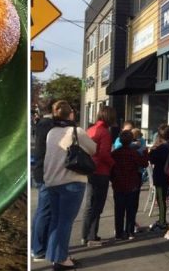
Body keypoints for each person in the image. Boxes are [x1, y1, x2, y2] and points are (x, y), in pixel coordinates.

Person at [43, 100, 96, 270]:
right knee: (65, 222)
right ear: (71, 114)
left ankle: (54, 255)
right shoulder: (77, 132)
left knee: (56, 220)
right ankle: (61, 259)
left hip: (52, 181)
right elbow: (93, 149)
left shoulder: (51, 132)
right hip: (72, 181)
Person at [81, 106, 117, 247]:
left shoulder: (90, 130)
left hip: (89, 169)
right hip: (101, 171)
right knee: (97, 205)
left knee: (89, 204)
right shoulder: (105, 132)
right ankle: (92, 236)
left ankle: (85, 235)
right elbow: (103, 154)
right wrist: (113, 164)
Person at [30, 100, 57, 261]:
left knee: (42, 210)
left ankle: (36, 246)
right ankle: (39, 249)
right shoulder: (49, 125)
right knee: (45, 211)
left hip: (42, 171)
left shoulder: (42, 124)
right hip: (46, 172)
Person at [110, 130, 148, 240]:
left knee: (119, 209)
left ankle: (119, 232)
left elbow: (111, 168)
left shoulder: (115, 153)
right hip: (132, 183)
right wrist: (144, 151)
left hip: (118, 184)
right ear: (131, 140)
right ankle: (129, 231)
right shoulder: (133, 153)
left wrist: (112, 179)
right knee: (131, 209)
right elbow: (144, 163)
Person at [148, 123, 169, 231]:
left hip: (159, 175)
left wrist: (152, 150)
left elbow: (151, 159)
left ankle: (162, 222)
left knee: (161, 199)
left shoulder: (159, 148)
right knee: (162, 198)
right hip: (167, 175)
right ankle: (162, 220)